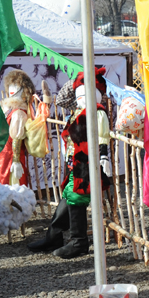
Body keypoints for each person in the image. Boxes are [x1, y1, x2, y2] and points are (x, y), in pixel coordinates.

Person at [28, 68, 112, 259]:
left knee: (76, 198)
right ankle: (54, 236)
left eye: (84, 95)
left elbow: (102, 135)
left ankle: (79, 242)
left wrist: (103, 156)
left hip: (86, 163)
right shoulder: (77, 111)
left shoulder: (97, 112)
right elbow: (64, 100)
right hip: (75, 162)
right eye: (79, 95)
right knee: (68, 195)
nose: (81, 98)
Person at [0, 69, 35, 186]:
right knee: (1, 183)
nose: (13, 89)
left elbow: (17, 137)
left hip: (11, 155)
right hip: (2, 154)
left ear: (24, 90)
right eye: (11, 86)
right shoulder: (8, 109)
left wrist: (16, 160)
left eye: (17, 86)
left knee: (12, 185)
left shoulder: (18, 113)